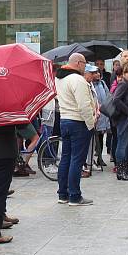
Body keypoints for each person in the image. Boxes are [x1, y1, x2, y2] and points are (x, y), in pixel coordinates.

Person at [55, 53, 95, 206]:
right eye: (85, 63)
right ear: (78, 63)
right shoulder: (77, 79)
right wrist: (91, 124)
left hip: (65, 119)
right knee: (76, 160)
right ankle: (74, 196)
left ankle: (63, 194)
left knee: (66, 158)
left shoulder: (59, 78)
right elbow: (84, 106)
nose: (85, 66)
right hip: (78, 122)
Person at [91, 67, 111, 168]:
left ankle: (99, 158)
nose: (97, 75)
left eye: (98, 72)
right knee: (93, 139)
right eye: (95, 73)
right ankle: (91, 159)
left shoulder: (102, 83)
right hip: (94, 115)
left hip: (103, 115)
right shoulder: (90, 85)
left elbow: (108, 96)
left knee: (100, 137)